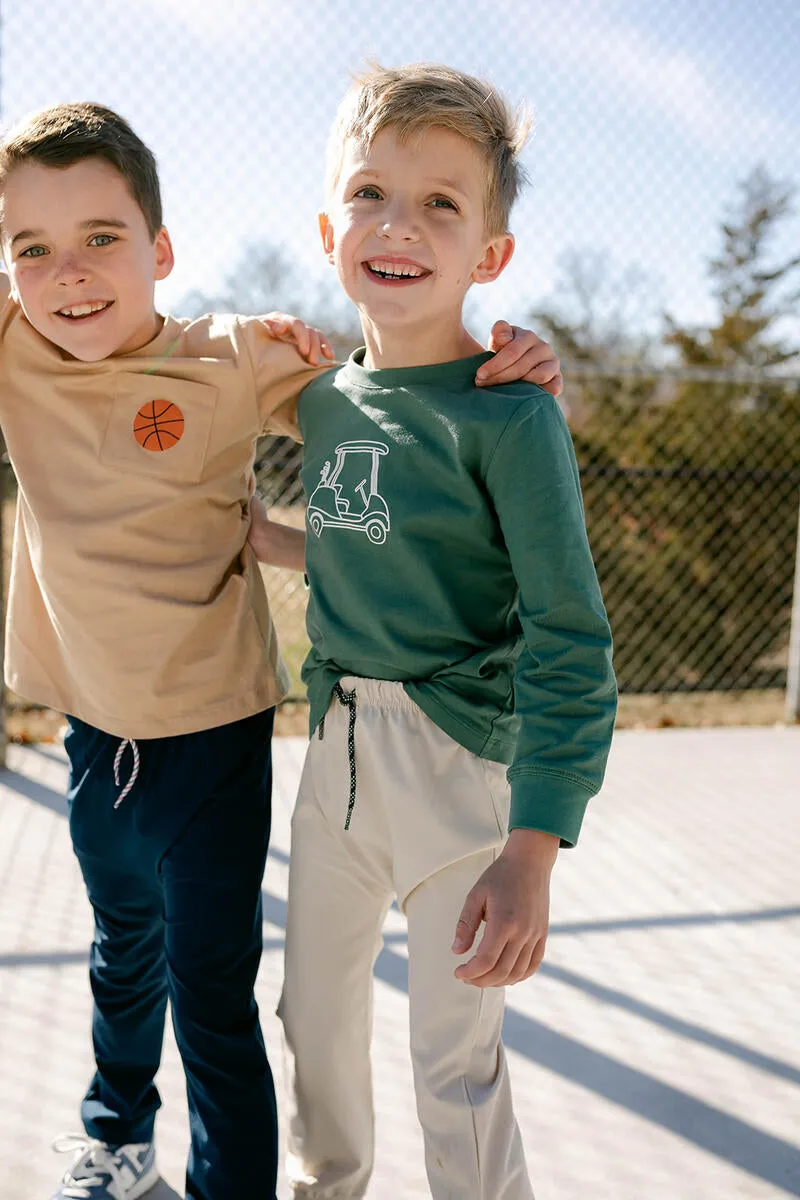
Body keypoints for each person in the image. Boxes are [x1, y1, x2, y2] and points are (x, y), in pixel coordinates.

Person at [0, 101, 562, 1200]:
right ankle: (115, 1141)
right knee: (122, 957)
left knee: (215, 992)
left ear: (160, 251)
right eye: (33, 248)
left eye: (103, 238)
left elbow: (394, 420)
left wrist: (528, 372)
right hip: (90, 736)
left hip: (212, 744)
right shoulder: (16, 351)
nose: (69, 273)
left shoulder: (235, 359)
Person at [249, 63, 617, 1200]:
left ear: (488, 257)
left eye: (440, 204)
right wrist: (269, 540)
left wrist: (532, 849)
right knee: (310, 1017)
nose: (397, 225)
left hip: (459, 763)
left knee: (450, 1058)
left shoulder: (510, 413)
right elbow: (381, 549)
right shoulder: (314, 396)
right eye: (369, 193)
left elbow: (570, 638)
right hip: (333, 758)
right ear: (327, 228)